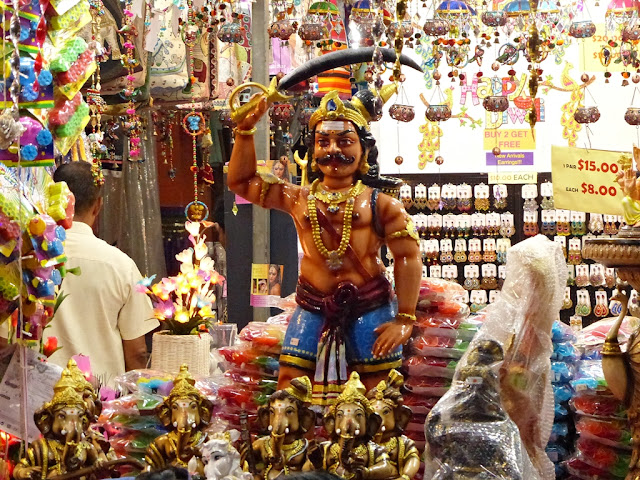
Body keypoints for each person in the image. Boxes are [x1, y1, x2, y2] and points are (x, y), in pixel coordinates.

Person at [228, 88, 421, 405]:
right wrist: (245, 131)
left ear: (364, 150)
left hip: (369, 307)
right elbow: (242, 182)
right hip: (312, 307)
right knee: (291, 393)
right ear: (312, 150)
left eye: (345, 142)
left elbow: (408, 257)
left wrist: (404, 319)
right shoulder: (298, 198)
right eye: (323, 142)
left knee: (379, 395)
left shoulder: (383, 205)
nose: (333, 150)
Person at [0, 162, 158, 385]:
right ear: (98, 206)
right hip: (100, 402)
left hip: (37, 399)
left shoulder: (24, 258)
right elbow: (138, 352)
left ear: (49, 198)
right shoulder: (122, 265)